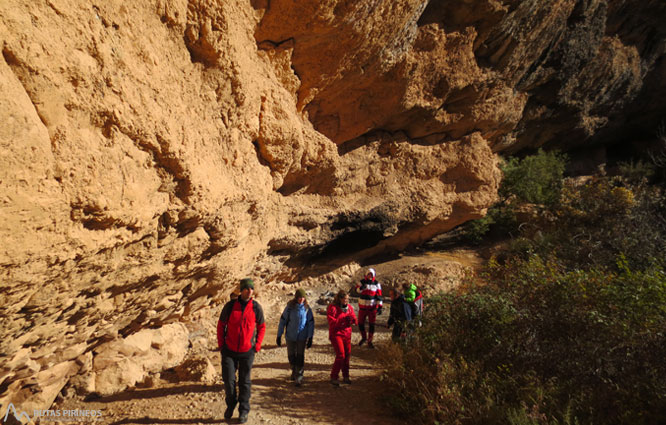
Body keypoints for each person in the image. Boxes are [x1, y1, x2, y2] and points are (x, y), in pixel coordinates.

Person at [217, 278, 265, 424]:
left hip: (246, 351)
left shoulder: (256, 308)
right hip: (229, 351)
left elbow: (262, 327)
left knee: (244, 382)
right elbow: (221, 326)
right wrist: (222, 346)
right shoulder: (230, 306)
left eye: (251, 289)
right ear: (241, 290)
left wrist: (256, 346)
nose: (249, 291)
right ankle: (231, 404)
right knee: (228, 381)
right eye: (246, 288)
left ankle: (243, 410)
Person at [276, 288, 315, 386]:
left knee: (300, 356)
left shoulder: (307, 309)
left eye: (303, 297)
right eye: (299, 297)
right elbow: (283, 321)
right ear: (296, 298)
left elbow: (311, 323)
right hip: (290, 336)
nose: (301, 299)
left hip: (302, 336)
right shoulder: (289, 308)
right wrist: (279, 335)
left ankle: (299, 376)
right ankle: (294, 370)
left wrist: (310, 337)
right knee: (291, 356)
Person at [327, 289, 357, 386]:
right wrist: (342, 319)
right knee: (341, 355)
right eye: (344, 299)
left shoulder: (349, 308)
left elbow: (354, 319)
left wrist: (352, 320)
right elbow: (332, 322)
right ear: (340, 299)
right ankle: (334, 376)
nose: (346, 301)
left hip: (347, 334)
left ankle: (346, 376)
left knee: (347, 355)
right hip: (336, 334)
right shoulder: (333, 308)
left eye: (347, 299)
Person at [356, 268, 383, 348]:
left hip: (372, 308)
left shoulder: (377, 284)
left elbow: (379, 296)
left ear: (373, 275)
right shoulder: (362, 282)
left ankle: (370, 341)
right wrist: (361, 288)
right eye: (368, 274)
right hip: (362, 308)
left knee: (372, 325)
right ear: (366, 275)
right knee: (360, 324)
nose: (370, 276)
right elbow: (356, 290)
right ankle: (364, 337)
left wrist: (380, 306)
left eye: (371, 274)